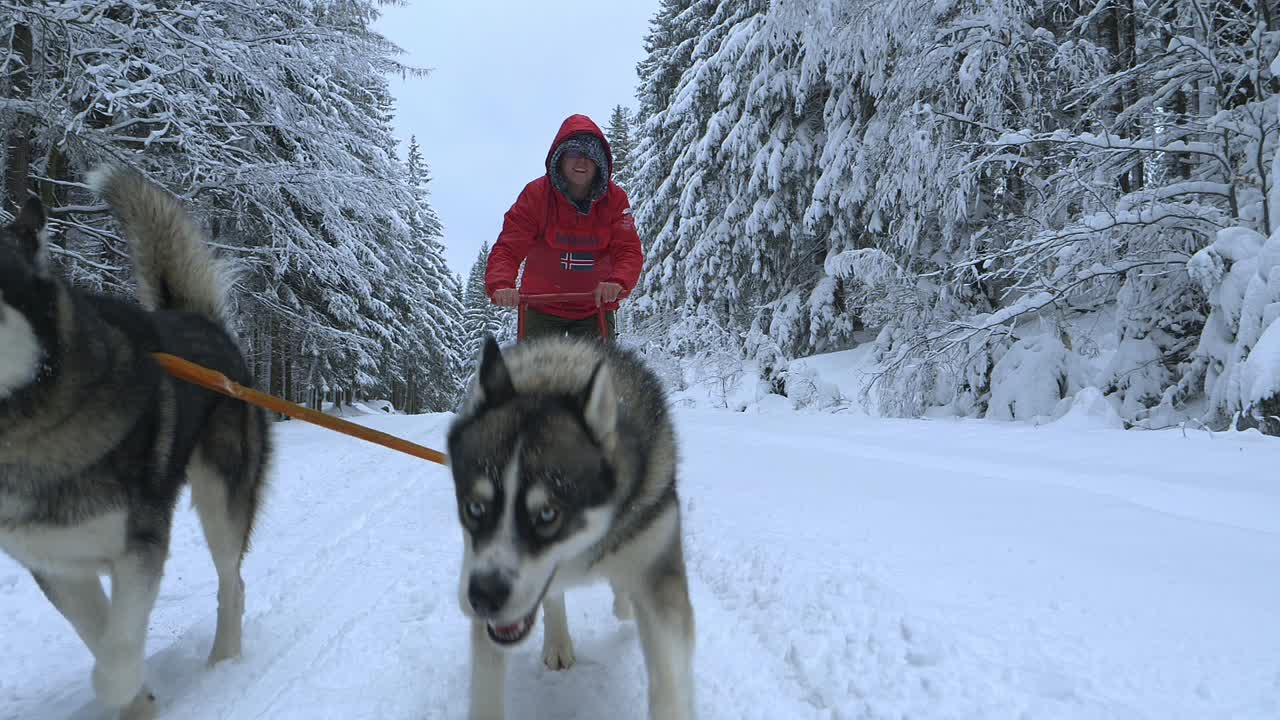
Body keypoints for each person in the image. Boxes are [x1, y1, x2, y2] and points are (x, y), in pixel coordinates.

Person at [485, 113, 643, 342]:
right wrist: (501, 284)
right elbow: (509, 247)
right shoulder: (536, 195)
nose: (582, 162)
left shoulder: (615, 199)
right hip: (541, 307)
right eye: (575, 154)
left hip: (595, 307)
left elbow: (628, 250)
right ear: (560, 158)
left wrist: (617, 282)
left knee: (603, 372)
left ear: (599, 162)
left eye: (590, 156)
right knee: (535, 374)